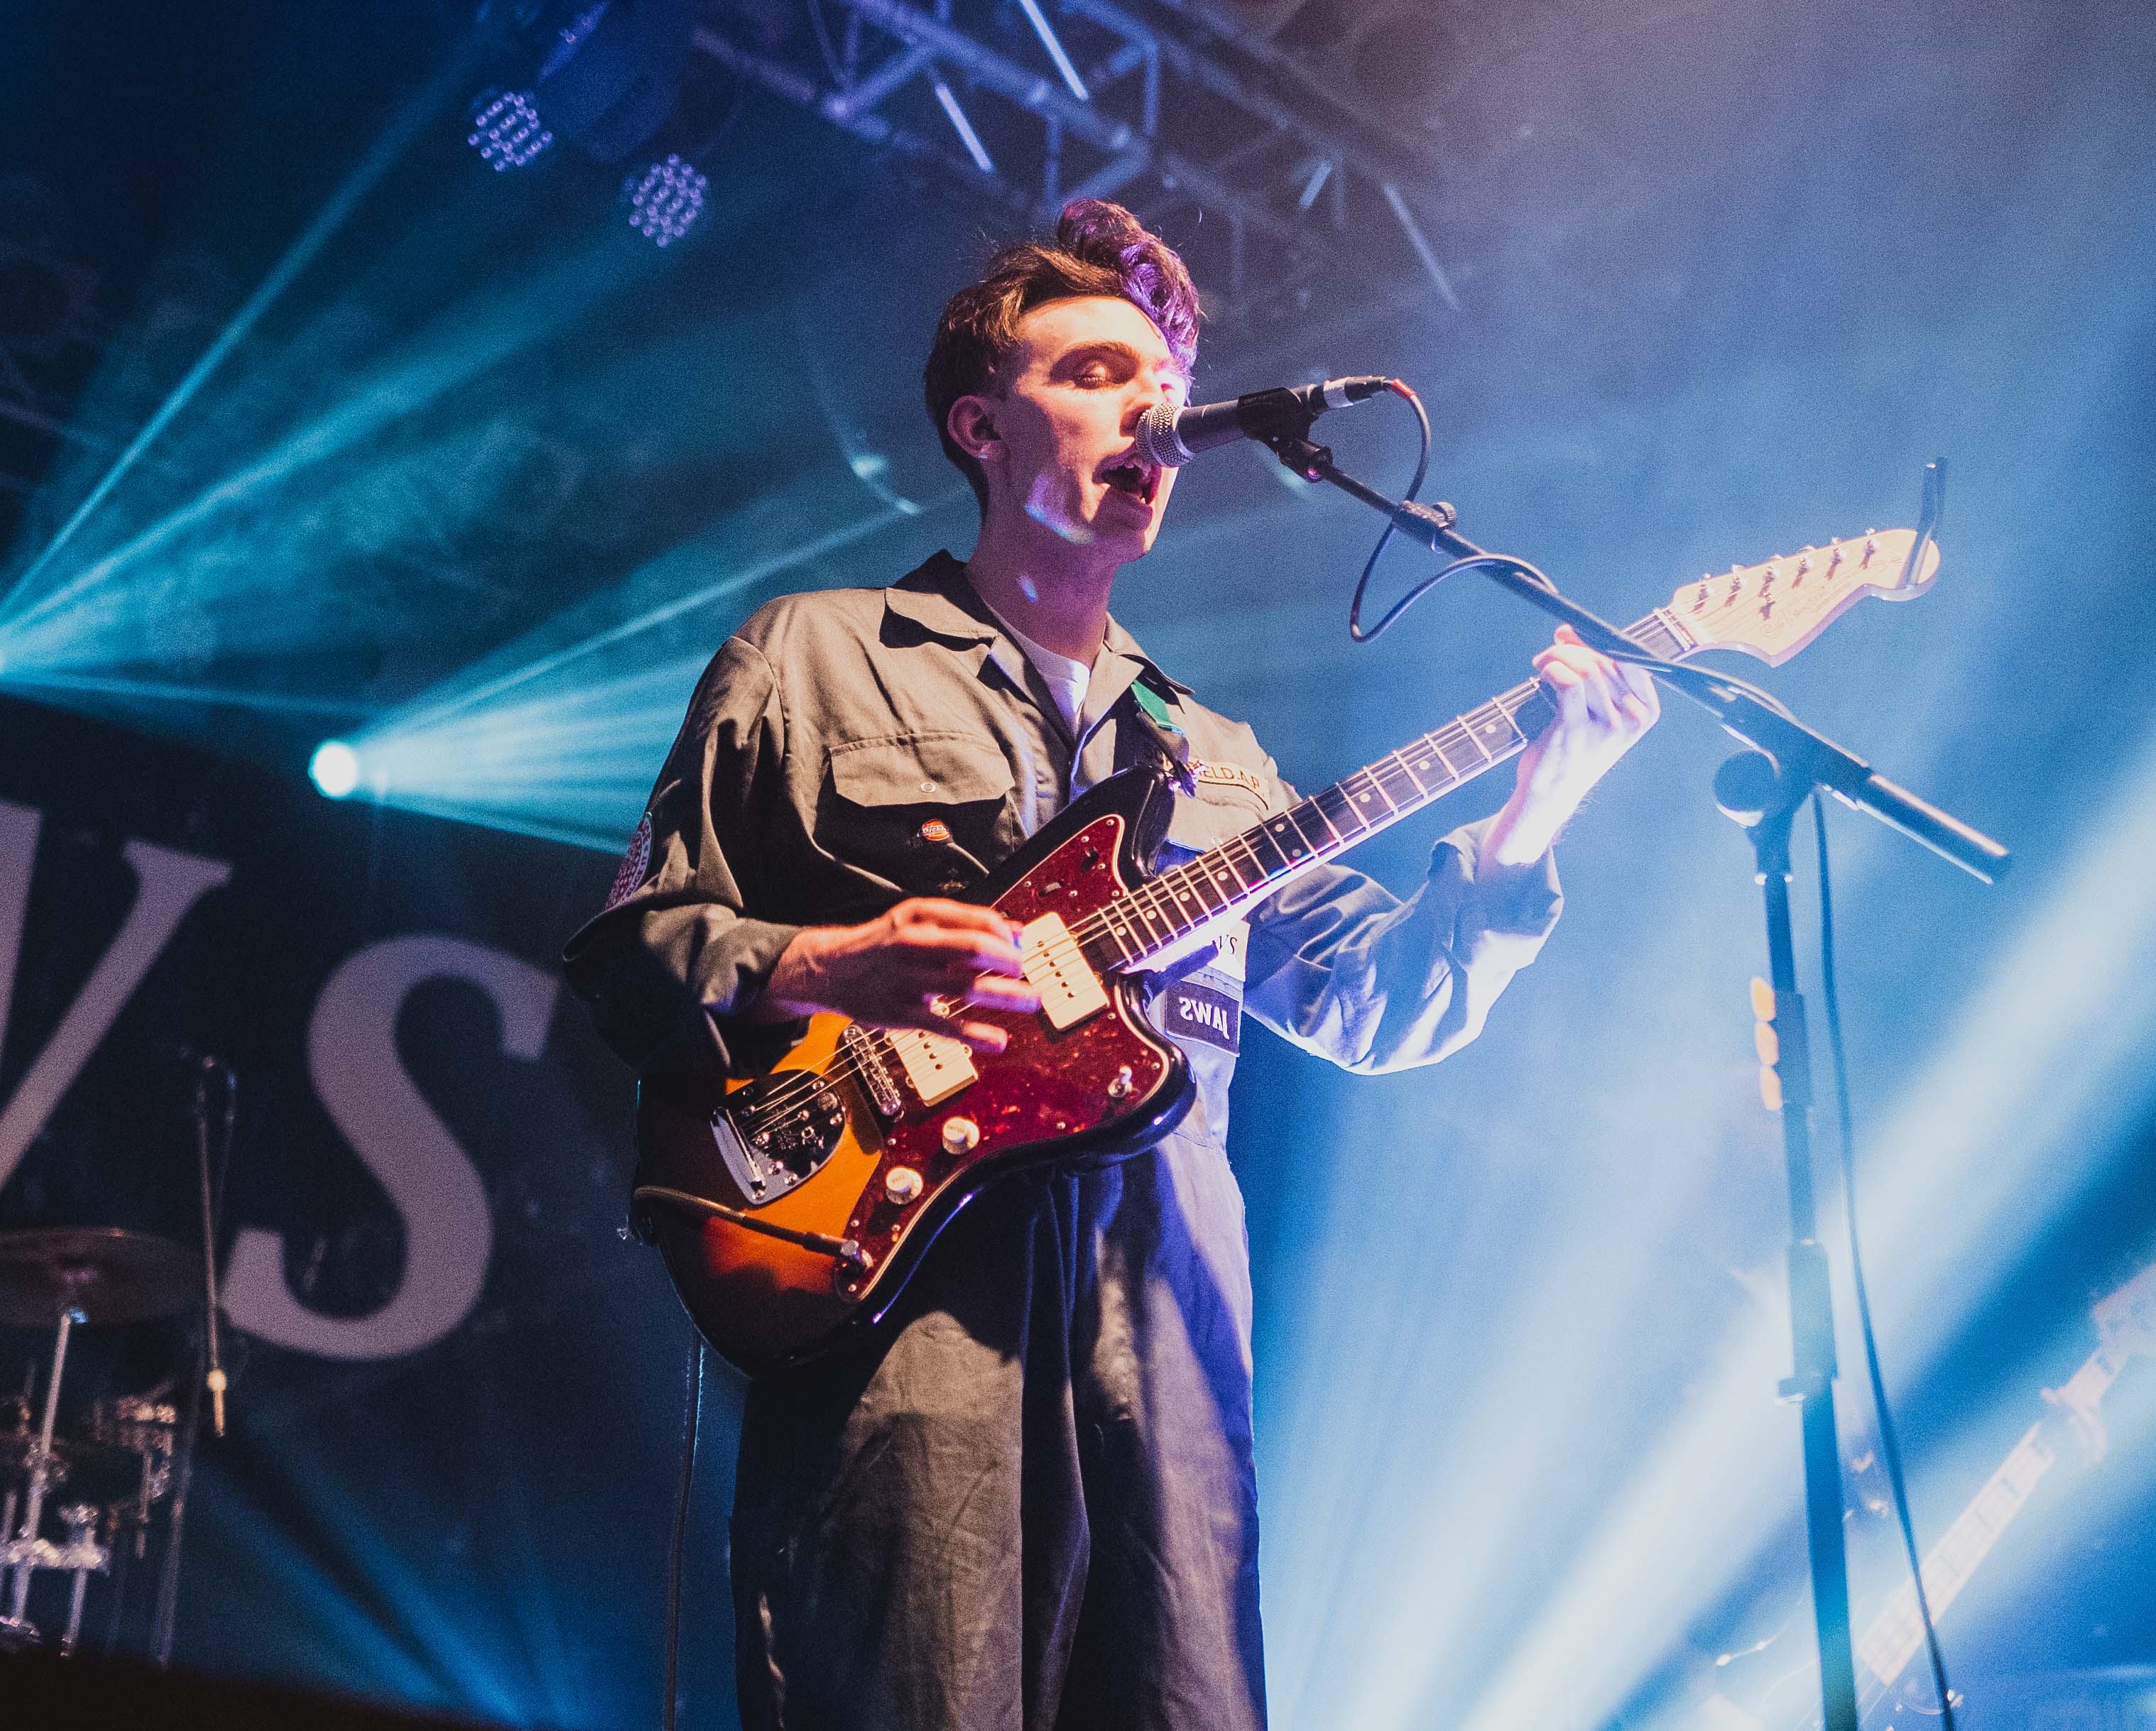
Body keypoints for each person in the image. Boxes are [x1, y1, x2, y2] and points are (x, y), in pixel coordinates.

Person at [563, 198, 1660, 1731]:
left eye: (1159, 388)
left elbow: (1370, 1002)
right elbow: (633, 957)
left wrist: (1537, 813)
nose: (1147, 412)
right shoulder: (812, 654)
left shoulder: (1210, 757)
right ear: (980, 427)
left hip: (1167, 1376)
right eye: (1089, 374)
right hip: (905, 1359)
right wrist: (828, 963)